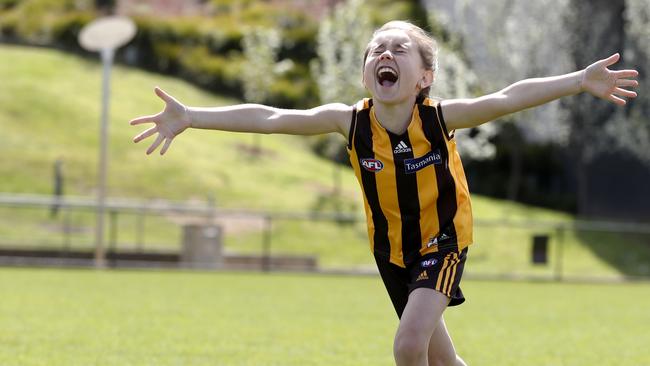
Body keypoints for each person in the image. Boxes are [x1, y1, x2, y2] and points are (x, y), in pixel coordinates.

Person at [130, 20, 639, 366]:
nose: (385, 53)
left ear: (424, 77)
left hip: (442, 242)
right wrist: (193, 116)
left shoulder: (439, 118)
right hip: (391, 253)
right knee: (441, 360)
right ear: (367, 72)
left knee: (407, 346)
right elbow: (270, 117)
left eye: (400, 48)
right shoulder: (349, 123)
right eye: (377, 49)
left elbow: (507, 97)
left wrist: (577, 81)